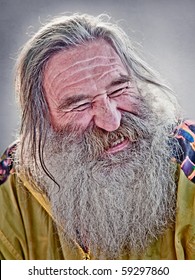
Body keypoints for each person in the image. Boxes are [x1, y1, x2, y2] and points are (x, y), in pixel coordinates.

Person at [0, 13, 195, 260]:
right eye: (79, 105)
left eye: (119, 89)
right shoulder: (11, 193)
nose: (111, 122)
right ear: (41, 122)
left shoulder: (191, 161)